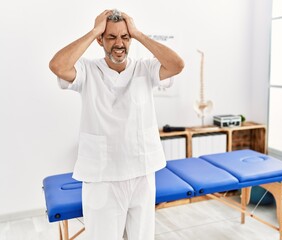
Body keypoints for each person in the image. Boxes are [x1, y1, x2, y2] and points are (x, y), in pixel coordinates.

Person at [49, 9, 184, 240]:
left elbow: (177, 65)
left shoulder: (146, 68)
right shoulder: (87, 70)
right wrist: (93, 31)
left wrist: (138, 33)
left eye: (124, 37)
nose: (119, 44)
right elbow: (58, 66)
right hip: (102, 177)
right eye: (111, 37)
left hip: (142, 172)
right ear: (100, 40)